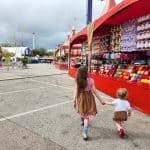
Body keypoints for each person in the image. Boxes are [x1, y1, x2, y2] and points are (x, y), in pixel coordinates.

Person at [73, 66, 105, 140]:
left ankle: (83, 123)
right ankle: (84, 132)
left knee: (83, 112)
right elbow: (95, 91)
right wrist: (101, 100)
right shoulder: (91, 80)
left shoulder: (77, 81)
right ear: (86, 73)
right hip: (89, 99)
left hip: (81, 98)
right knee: (86, 116)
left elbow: (75, 91)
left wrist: (74, 101)